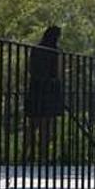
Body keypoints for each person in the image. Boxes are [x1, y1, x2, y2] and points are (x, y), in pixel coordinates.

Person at [23, 26, 63, 163]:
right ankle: (43, 155)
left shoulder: (36, 49)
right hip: (49, 89)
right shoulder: (55, 51)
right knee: (46, 125)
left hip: (35, 87)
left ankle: (28, 153)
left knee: (32, 123)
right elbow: (58, 72)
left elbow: (30, 69)